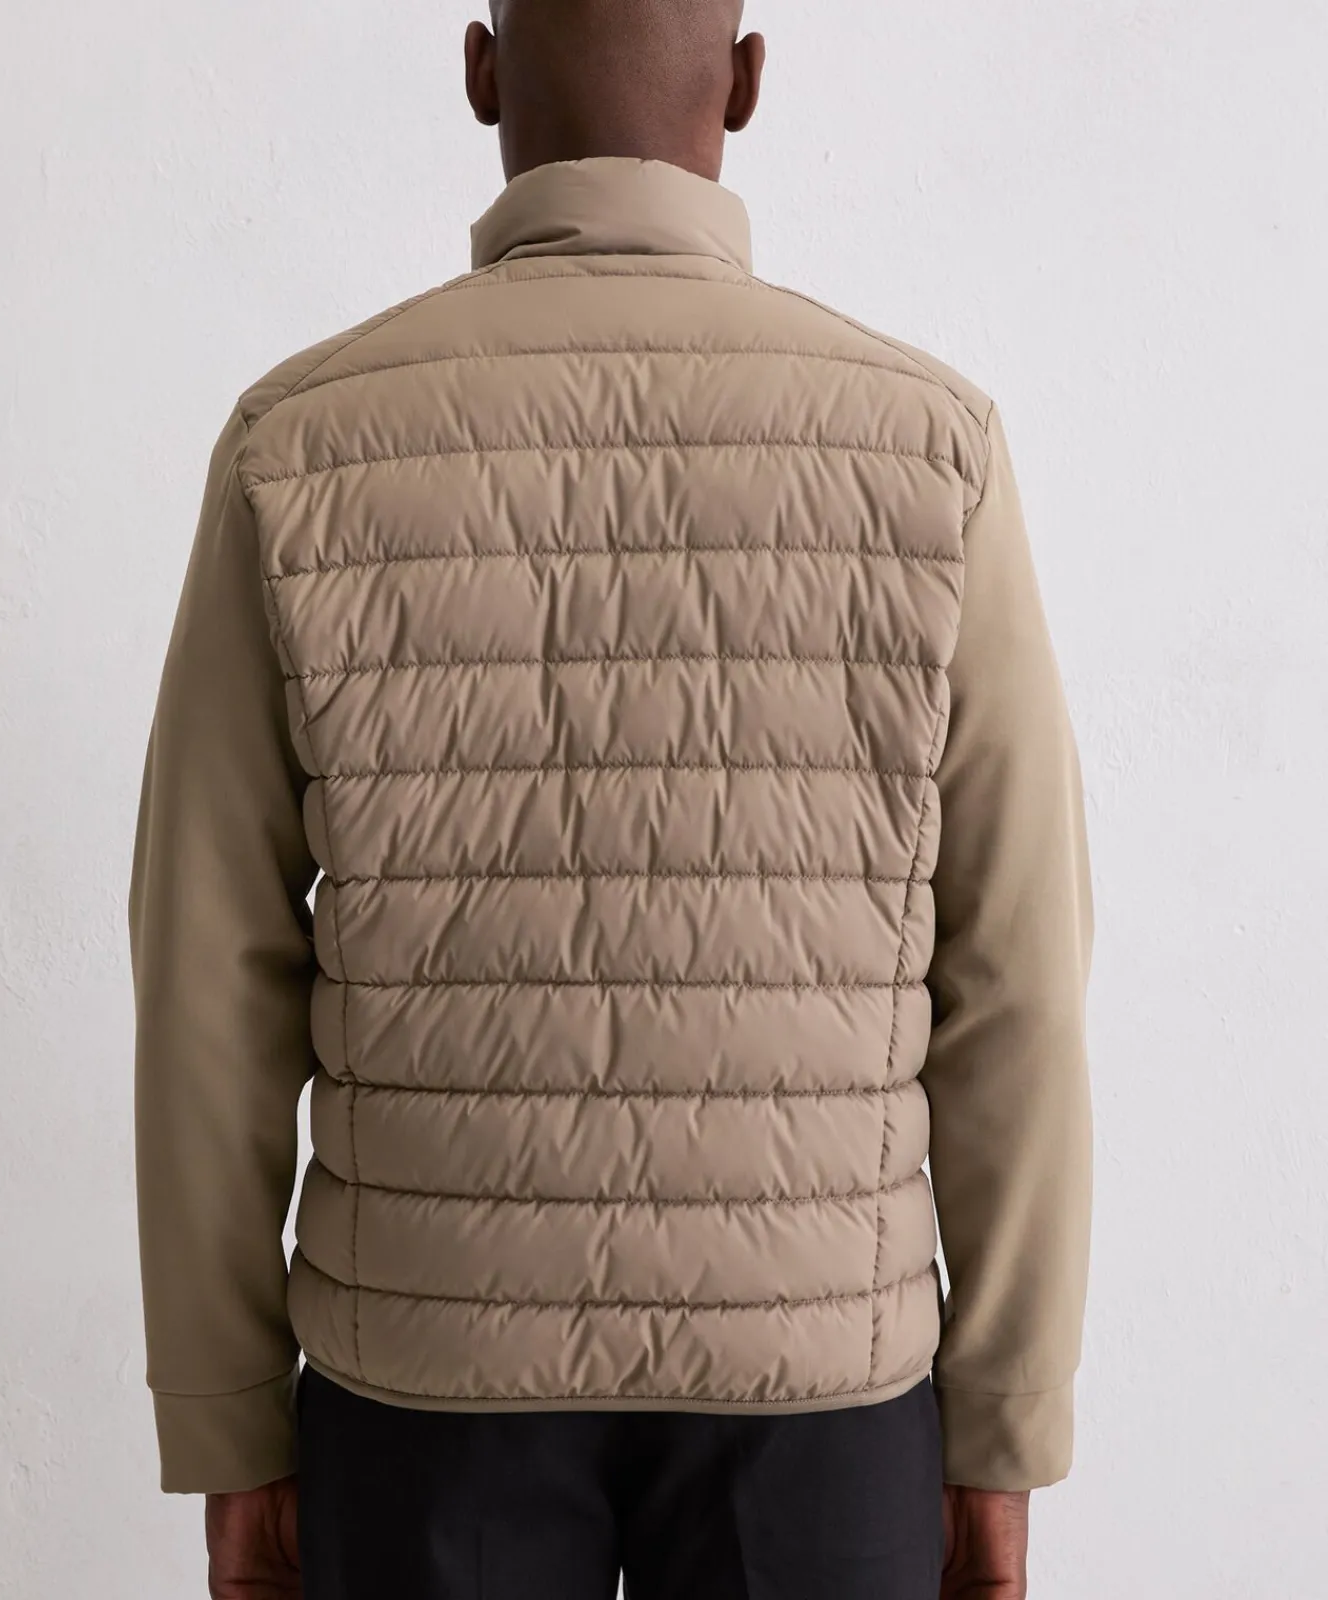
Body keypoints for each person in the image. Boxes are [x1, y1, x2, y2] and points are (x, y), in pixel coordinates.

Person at [127, 2, 1094, 1596]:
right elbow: (1020, 986)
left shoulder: (299, 446)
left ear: (480, 71)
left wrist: (228, 1423)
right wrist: (1002, 1431)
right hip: (824, 1388)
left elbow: (205, 980)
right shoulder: (933, 455)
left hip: (422, 1379)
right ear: (748, 81)